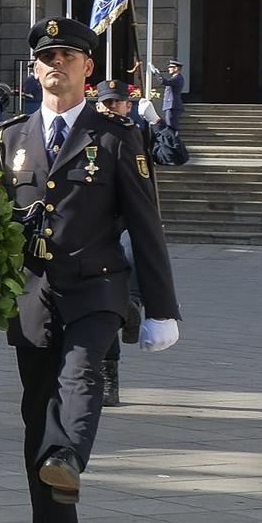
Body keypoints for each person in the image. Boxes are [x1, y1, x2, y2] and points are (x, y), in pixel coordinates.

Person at [0, 18, 181, 523]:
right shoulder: (10, 137)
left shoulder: (118, 135)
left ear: (88, 68)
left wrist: (161, 308)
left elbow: (146, 225)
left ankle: (70, 452)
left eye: (68, 55)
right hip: (31, 293)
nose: (56, 65)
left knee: (82, 376)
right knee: (35, 424)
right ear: (33, 69)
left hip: (97, 285)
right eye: (46, 57)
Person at [89, 79, 152, 407]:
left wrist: (160, 126)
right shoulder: (85, 133)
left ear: (130, 105)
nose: (113, 109)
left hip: (130, 220)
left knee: (132, 265)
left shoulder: (141, 132)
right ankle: (107, 376)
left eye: (119, 103)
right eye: (107, 103)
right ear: (98, 104)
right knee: (103, 304)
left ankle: (134, 305)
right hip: (96, 225)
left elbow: (173, 155)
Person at [161, 59, 187, 133]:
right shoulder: (175, 77)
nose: (168, 69)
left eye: (171, 67)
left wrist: (156, 73)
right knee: (170, 127)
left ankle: (174, 143)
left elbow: (165, 82)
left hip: (173, 106)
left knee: (171, 127)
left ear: (176, 68)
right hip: (171, 105)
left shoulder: (177, 78)